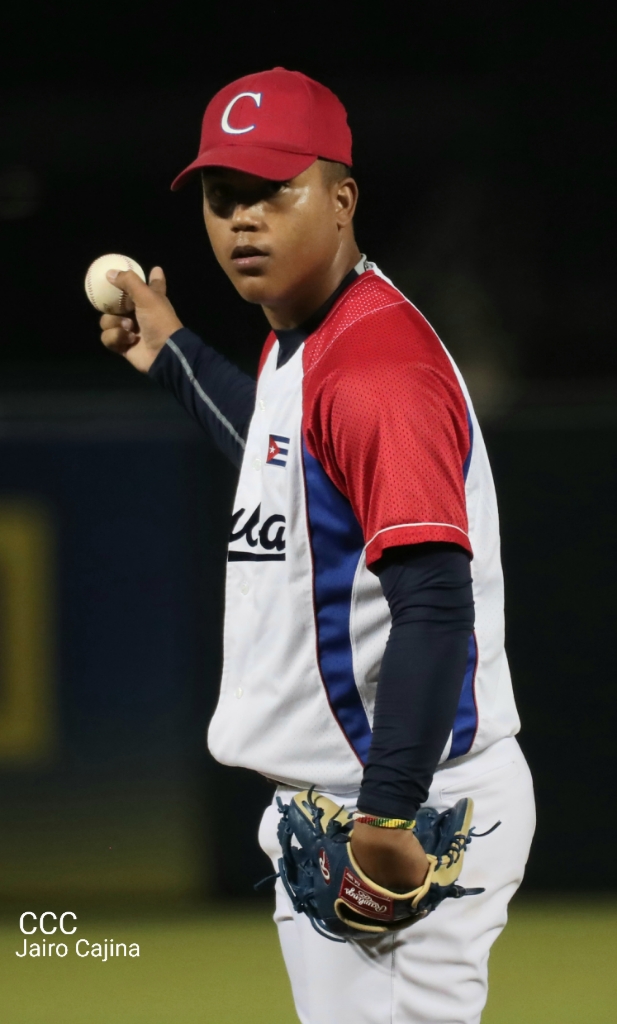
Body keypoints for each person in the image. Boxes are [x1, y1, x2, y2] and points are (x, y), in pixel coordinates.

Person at [99, 67, 535, 1024]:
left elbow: (435, 602)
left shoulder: (375, 367)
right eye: (223, 197)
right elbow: (291, 466)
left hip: (411, 803)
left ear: (341, 201)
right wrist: (174, 358)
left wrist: (386, 812)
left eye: (272, 191)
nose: (243, 220)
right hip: (347, 797)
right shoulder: (308, 340)